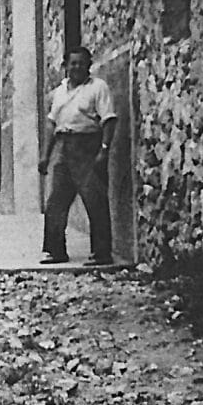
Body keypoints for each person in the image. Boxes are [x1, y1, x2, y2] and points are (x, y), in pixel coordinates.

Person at [38, 45, 117, 266]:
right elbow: (52, 124)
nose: (77, 67)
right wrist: (46, 156)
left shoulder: (98, 87)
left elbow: (109, 120)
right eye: (73, 63)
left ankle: (101, 253)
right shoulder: (60, 91)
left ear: (88, 65)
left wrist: (104, 150)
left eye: (82, 63)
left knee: (95, 200)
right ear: (66, 66)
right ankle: (55, 250)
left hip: (87, 146)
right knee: (56, 202)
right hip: (64, 148)